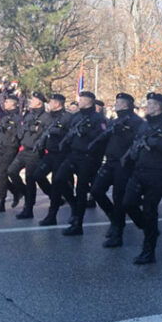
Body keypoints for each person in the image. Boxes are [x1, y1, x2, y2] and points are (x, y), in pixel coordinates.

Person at [123, 93, 162, 264]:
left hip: (157, 174)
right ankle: (149, 229)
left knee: (150, 211)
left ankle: (148, 251)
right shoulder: (143, 126)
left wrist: (157, 143)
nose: (147, 106)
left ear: (158, 107)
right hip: (139, 171)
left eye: (150, 104)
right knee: (128, 203)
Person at [45, 91, 107, 236]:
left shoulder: (98, 119)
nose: (79, 101)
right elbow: (70, 134)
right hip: (73, 155)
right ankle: (73, 205)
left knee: (81, 191)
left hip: (88, 158)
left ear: (89, 102)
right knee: (59, 179)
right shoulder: (77, 116)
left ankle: (78, 223)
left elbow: (101, 138)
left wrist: (86, 132)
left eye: (82, 99)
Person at [91, 93, 143, 247]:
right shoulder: (115, 120)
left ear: (126, 105)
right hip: (110, 161)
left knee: (118, 198)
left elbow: (136, 142)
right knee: (96, 191)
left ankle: (118, 232)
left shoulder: (136, 122)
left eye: (119, 102)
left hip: (124, 164)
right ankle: (114, 218)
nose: (116, 104)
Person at [7, 91, 50, 219]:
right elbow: (22, 129)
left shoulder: (46, 117)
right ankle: (25, 194)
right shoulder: (29, 114)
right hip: (24, 149)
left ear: (39, 102)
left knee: (30, 179)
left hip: (35, 152)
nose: (31, 101)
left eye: (33, 99)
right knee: (11, 171)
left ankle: (29, 208)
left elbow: (43, 134)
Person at [33, 93, 71, 224]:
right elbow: (44, 132)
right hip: (50, 153)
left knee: (57, 183)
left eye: (52, 101)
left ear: (58, 103)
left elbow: (70, 134)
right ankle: (68, 200)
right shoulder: (49, 116)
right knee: (38, 175)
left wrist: (59, 132)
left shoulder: (67, 117)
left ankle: (52, 215)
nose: (49, 103)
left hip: (61, 154)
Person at [0, 95, 23, 213]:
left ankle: (1, 202)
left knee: (1, 173)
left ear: (13, 104)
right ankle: (15, 191)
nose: (5, 103)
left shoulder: (18, 118)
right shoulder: (5, 116)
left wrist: (9, 128)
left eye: (7, 102)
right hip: (1, 147)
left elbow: (20, 135)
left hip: (10, 148)